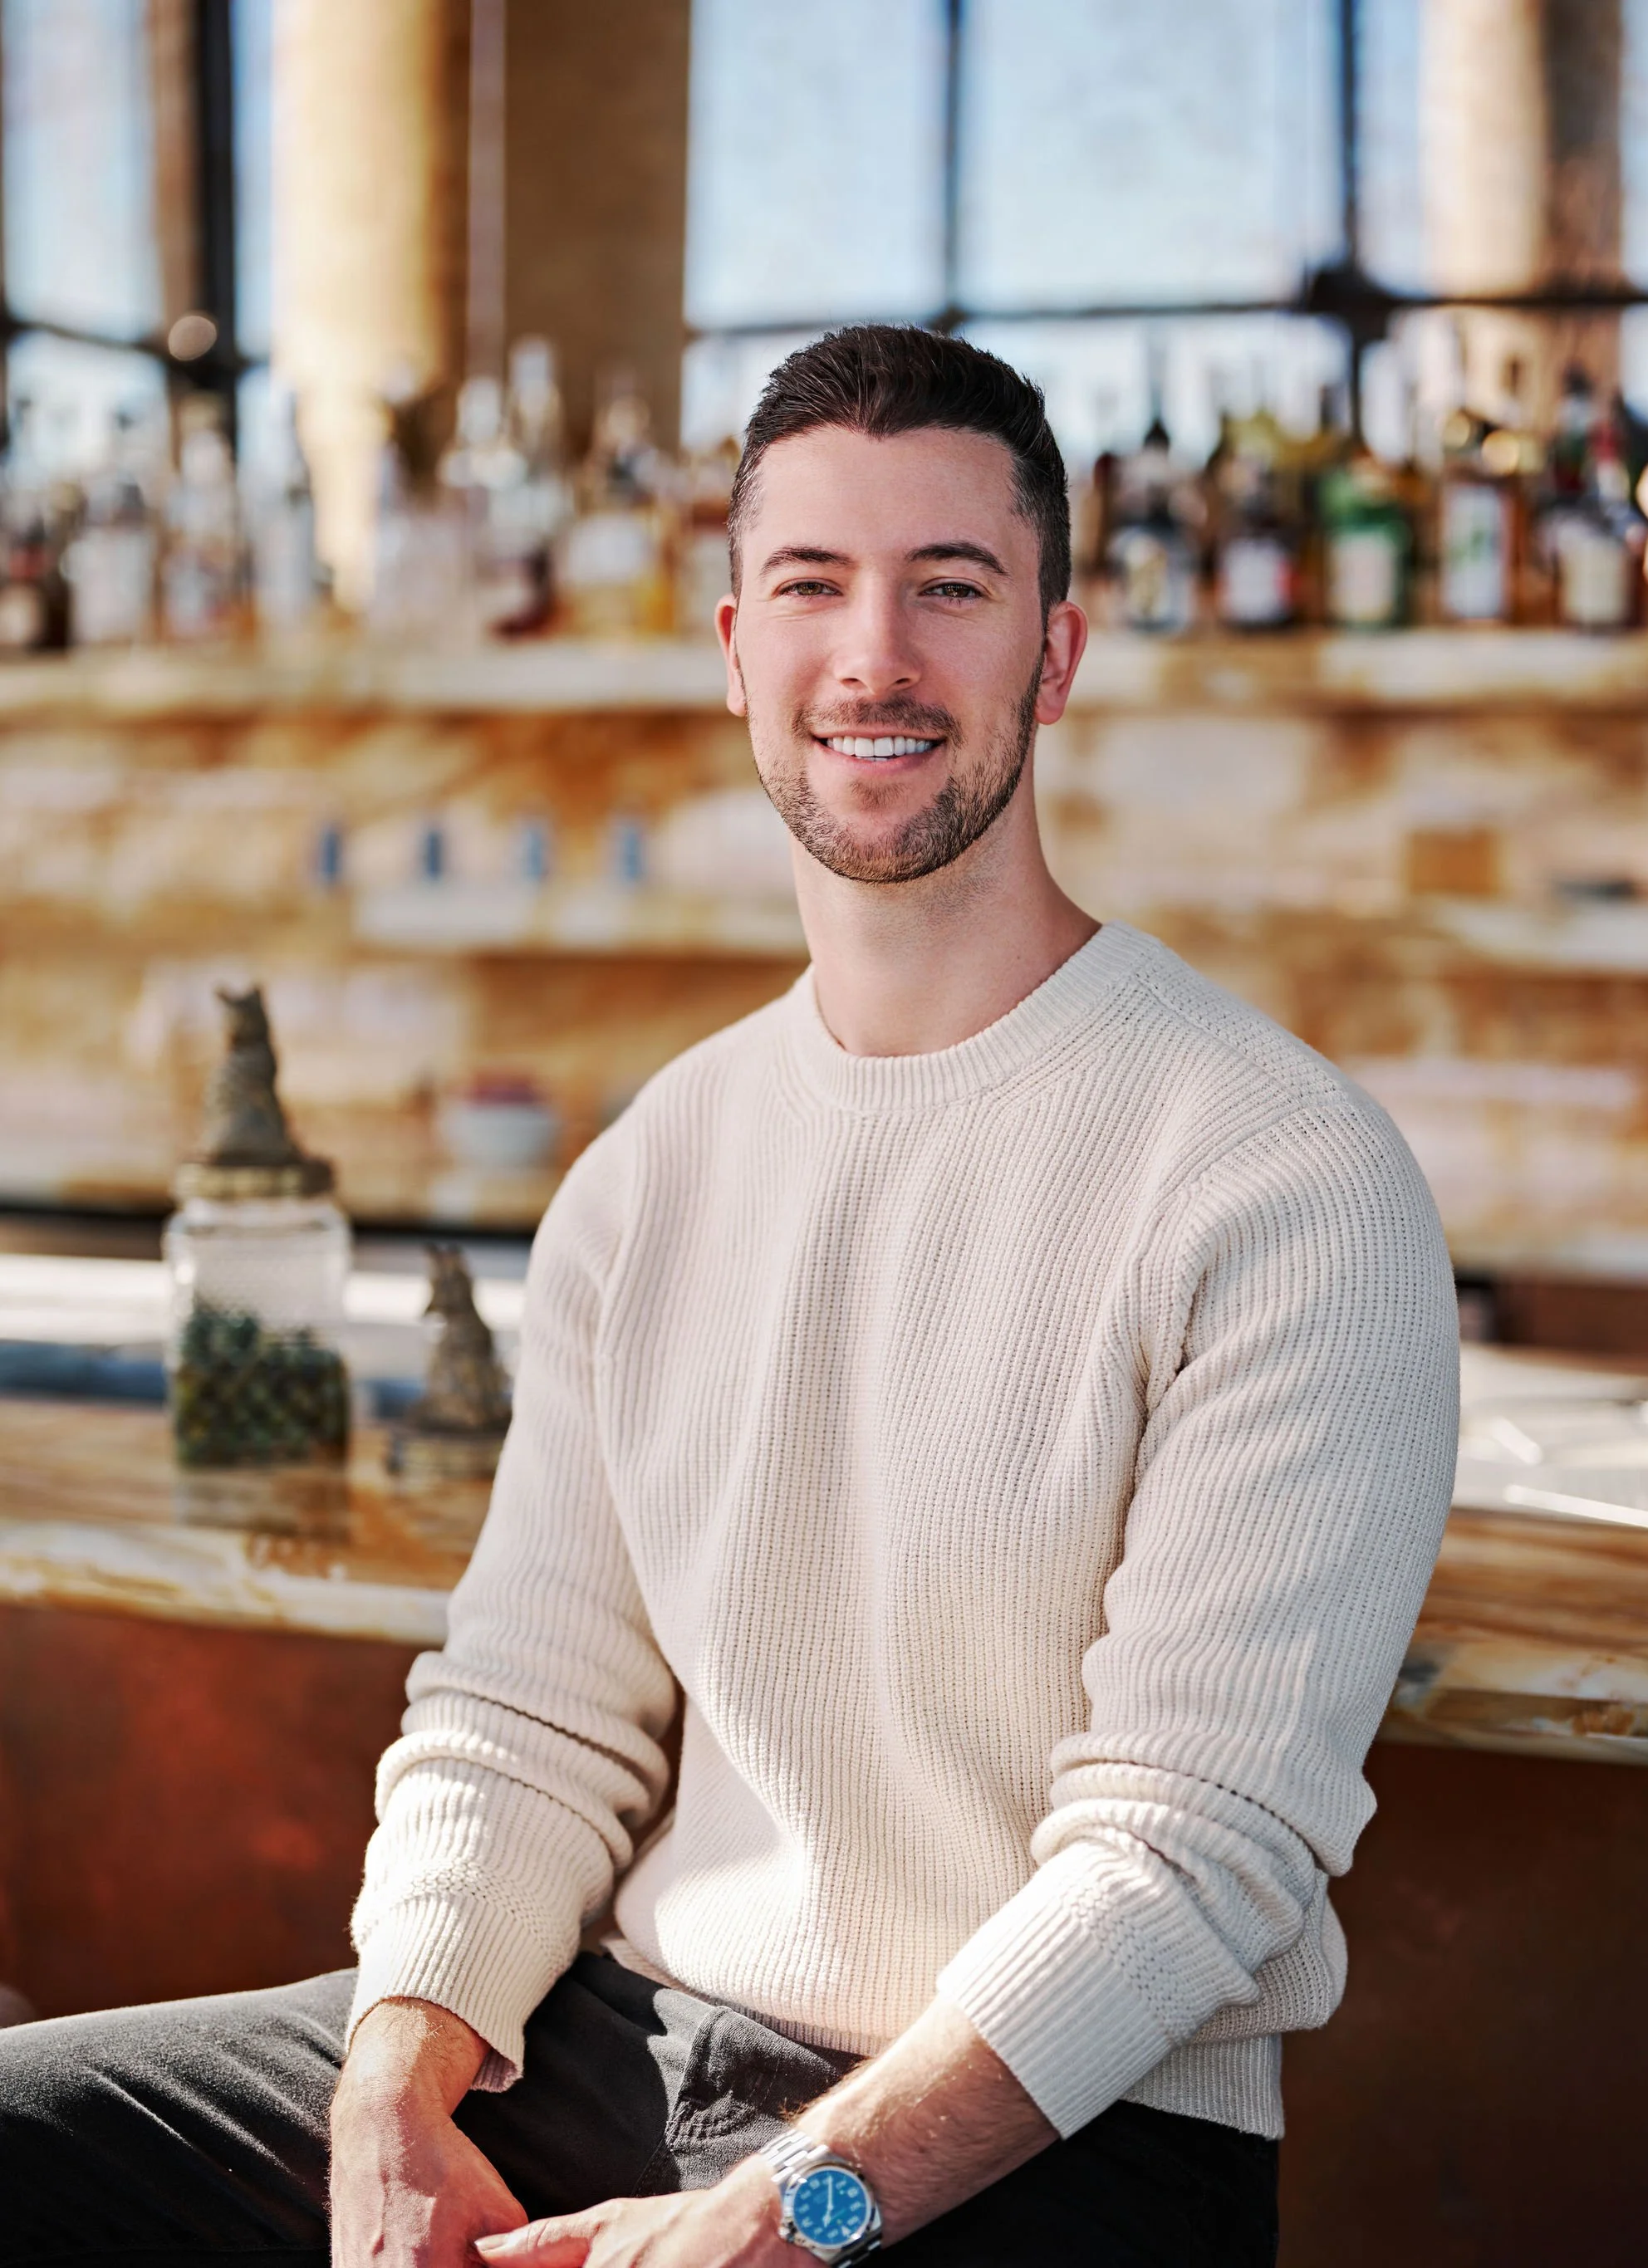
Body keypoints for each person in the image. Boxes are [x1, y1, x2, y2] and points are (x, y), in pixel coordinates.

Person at [0, 326, 1458, 2266]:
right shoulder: (653, 1167)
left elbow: (1183, 1866)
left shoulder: (1282, 1172)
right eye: (812, 588)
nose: (876, 656)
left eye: (951, 587)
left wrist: (788, 2219)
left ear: (1057, 650)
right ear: (734, 654)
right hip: (626, 2046)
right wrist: (390, 2081)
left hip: (1055, 2137)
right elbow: (528, 1715)